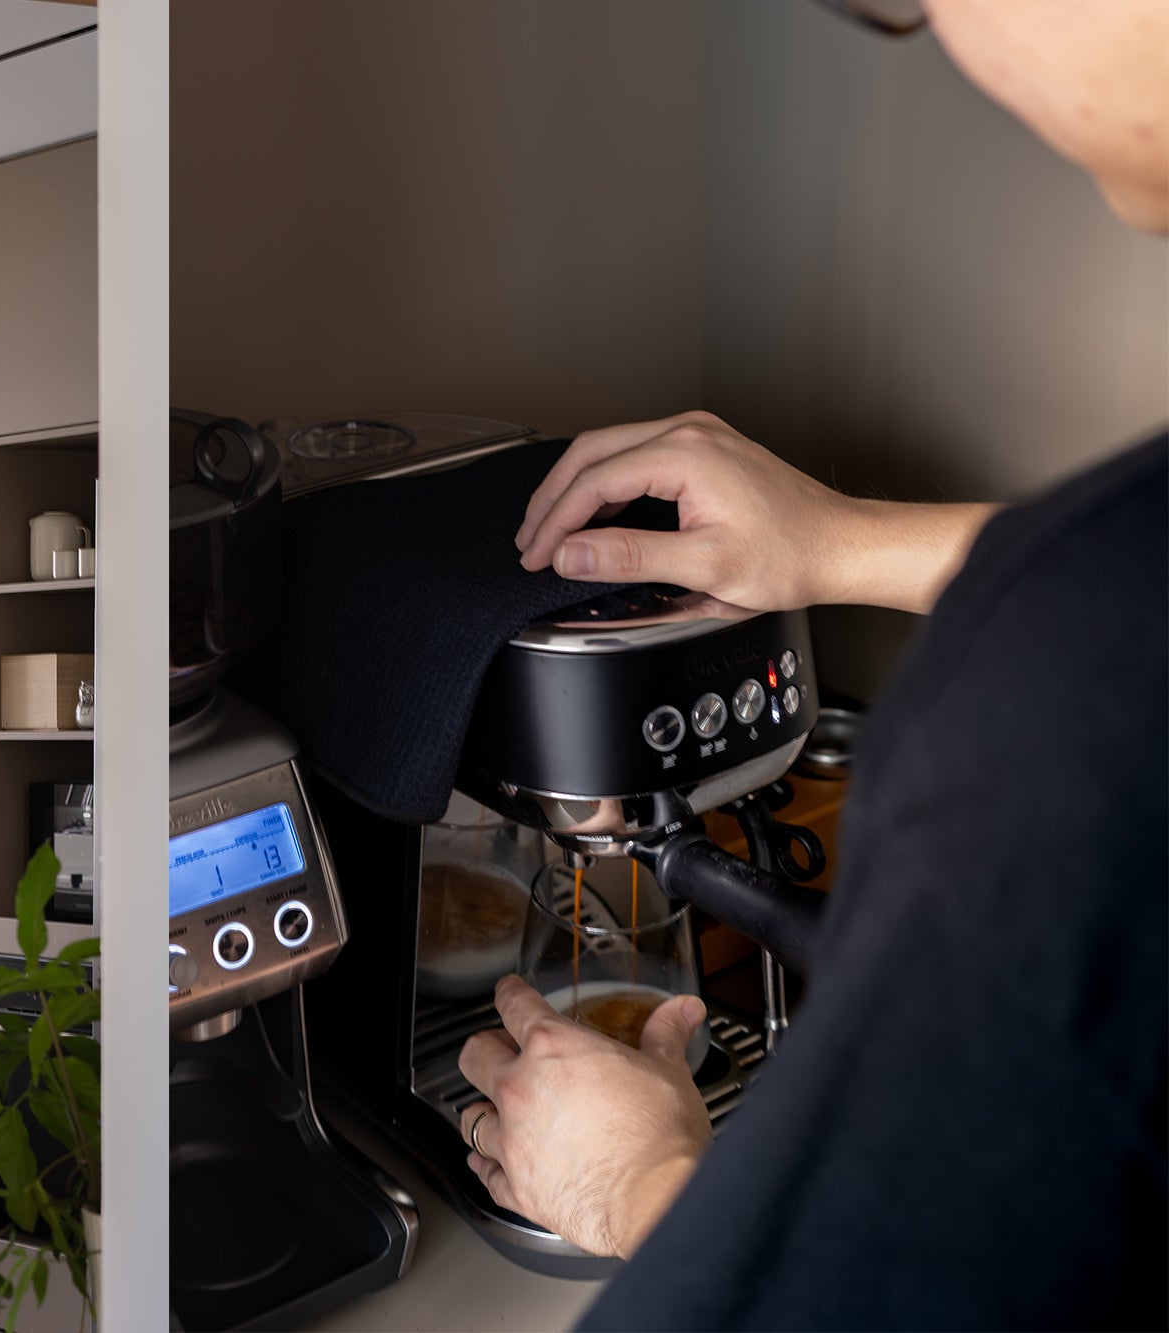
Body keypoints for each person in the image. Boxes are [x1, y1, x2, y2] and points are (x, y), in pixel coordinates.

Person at [453, 2, 1167, 1327]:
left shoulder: (1070, 705)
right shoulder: (1088, 629)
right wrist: (844, 543)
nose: (910, 25)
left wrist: (636, 1184)